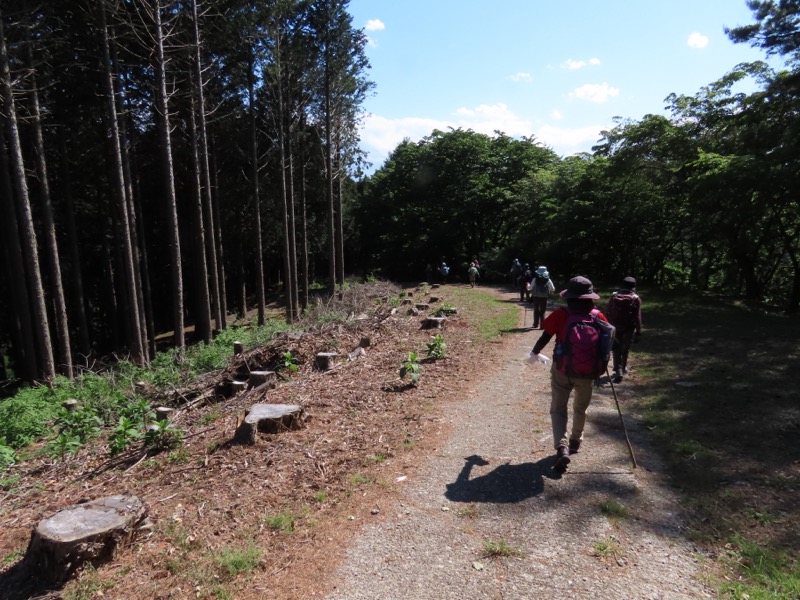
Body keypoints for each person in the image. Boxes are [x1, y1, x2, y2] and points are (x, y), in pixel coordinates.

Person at [528, 276, 611, 471]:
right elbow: (609, 342)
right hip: (588, 372)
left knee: (558, 408)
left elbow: (545, 336)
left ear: (569, 296)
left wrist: (534, 353)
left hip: (562, 369)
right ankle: (575, 441)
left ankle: (562, 448)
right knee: (580, 408)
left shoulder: (561, 314)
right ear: (590, 296)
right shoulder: (598, 316)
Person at [605, 276, 642, 383]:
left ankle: (618, 370)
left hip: (614, 326)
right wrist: (638, 332)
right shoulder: (636, 298)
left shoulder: (614, 296)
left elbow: (607, 311)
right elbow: (638, 317)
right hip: (629, 327)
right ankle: (623, 367)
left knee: (616, 347)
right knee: (625, 347)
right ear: (634, 287)